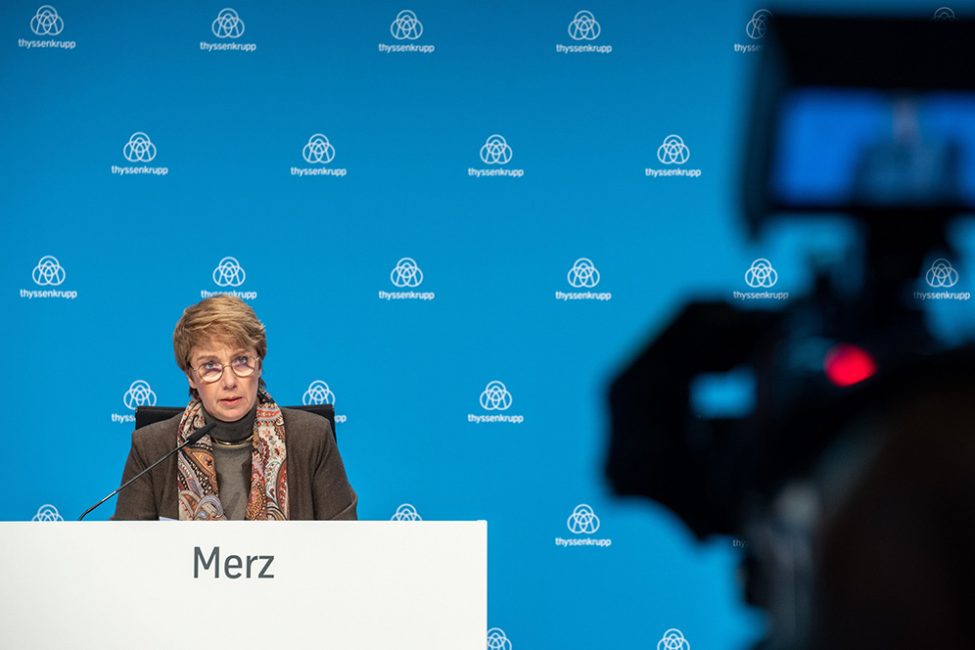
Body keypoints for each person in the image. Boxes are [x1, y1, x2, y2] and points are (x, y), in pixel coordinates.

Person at [113, 295, 357, 520]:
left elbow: (344, 543)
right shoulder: (152, 449)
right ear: (190, 376)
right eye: (210, 366)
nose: (229, 382)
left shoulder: (311, 439)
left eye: (241, 361)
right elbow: (126, 548)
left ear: (259, 365)